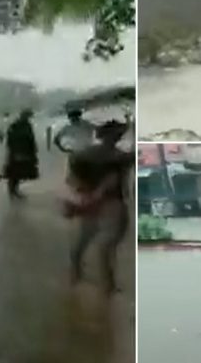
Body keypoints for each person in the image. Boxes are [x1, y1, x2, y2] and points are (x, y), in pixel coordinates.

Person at [63, 120, 133, 295]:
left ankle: (76, 275)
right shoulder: (121, 157)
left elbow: (71, 179)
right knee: (107, 247)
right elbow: (120, 181)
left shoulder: (84, 154)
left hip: (89, 203)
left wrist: (80, 195)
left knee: (83, 242)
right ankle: (108, 286)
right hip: (111, 204)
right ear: (117, 137)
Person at [0, 109, 38, 199]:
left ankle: (13, 191)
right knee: (16, 172)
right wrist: (33, 150)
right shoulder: (23, 126)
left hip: (17, 151)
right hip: (20, 151)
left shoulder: (16, 125)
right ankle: (13, 191)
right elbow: (30, 139)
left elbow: (10, 138)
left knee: (16, 172)